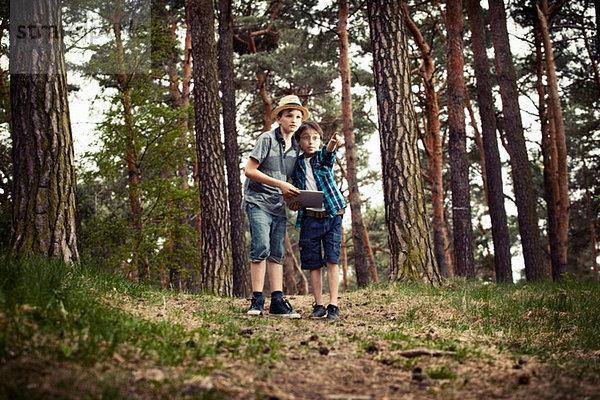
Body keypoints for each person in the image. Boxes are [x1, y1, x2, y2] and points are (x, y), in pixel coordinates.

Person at [242, 95, 309, 318]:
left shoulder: (298, 149)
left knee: (277, 253)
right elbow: (250, 171)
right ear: (279, 118)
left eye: (298, 116)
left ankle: (278, 302)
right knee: (261, 247)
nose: (294, 119)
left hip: (278, 205)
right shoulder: (266, 139)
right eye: (289, 115)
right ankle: (257, 300)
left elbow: (294, 182)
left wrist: (294, 199)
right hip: (258, 201)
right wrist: (281, 184)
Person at [289, 121, 346, 320]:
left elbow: (329, 153)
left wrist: (332, 143)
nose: (310, 141)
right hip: (310, 218)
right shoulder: (296, 165)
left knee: (332, 258)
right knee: (313, 263)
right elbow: (295, 190)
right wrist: (294, 202)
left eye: (315, 138)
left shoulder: (322, 158)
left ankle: (333, 305)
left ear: (320, 140)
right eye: (305, 138)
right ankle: (319, 305)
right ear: (298, 141)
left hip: (332, 215)